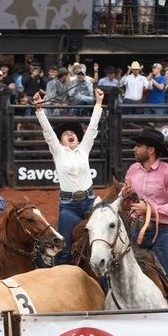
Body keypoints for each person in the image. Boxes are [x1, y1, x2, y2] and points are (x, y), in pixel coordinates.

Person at [121, 126, 168, 307]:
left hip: (161, 232)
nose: (134, 150)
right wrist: (125, 196)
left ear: (151, 150)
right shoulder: (132, 170)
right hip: (135, 228)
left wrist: (151, 210)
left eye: (138, 146)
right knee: (113, 270)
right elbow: (127, 202)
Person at [33, 88, 104, 266]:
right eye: (66, 134)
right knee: (64, 252)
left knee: (103, 243)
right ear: (60, 141)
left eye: (72, 133)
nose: (70, 134)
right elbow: (48, 133)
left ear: (78, 139)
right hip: (69, 206)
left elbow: (93, 127)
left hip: (90, 201)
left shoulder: (84, 148)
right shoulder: (58, 152)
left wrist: (98, 103)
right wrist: (40, 110)